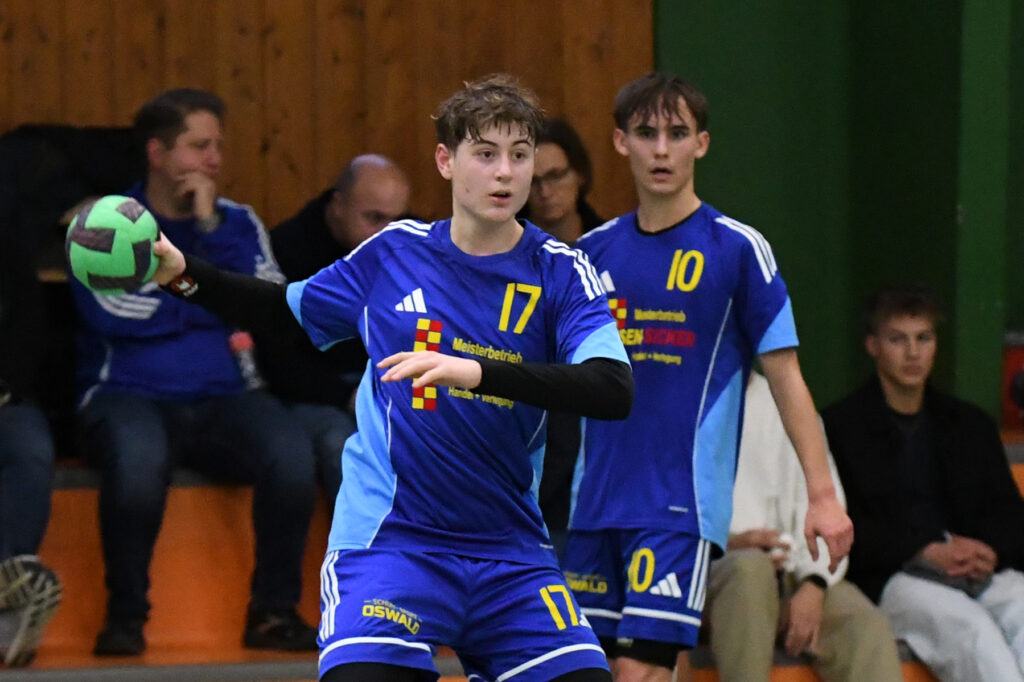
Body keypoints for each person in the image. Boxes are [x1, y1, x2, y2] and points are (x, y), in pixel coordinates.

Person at [150, 74, 633, 682]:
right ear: (446, 161)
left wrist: (477, 372)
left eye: (519, 154)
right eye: (485, 154)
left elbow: (613, 388)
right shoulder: (394, 253)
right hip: (393, 545)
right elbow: (283, 313)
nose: (505, 173)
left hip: (510, 554)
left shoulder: (561, 270)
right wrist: (182, 274)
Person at [563, 71, 853, 682]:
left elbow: (787, 378)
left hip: (677, 506)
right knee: (589, 672)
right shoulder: (589, 254)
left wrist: (823, 498)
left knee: (638, 672)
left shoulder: (737, 249)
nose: (661, 149)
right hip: (593, 504)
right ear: (620, 142)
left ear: (701, 143)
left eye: (677, 133)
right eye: (646, 133)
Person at [69, 88, 319, 656]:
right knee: (137, 462)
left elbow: (271, 306)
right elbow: (115, 311)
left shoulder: (236, 221)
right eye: (199, 146)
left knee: (291, 454)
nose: (214, 159)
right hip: (126, 394)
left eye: (219, 147)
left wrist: (208, 231)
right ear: (157, 153)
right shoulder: (107, 220)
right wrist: (216, 299)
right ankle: (125, 617)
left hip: (224, 396)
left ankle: (273, 613)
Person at [822, 285, 1024, 682]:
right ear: (873, 346)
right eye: (898, 340)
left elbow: (1010, 514)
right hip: (895, 577)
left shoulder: (969, 424)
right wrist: (924, 550)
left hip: (978, 571)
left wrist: (991, 551)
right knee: (973, 635)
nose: (913, 353)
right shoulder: (840, 427)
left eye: (923, 338)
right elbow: (845, 528)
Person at [699, 372, 901, 681]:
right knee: (749, 572)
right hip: (711, 574)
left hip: (790, 573)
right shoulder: (678, 400)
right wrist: (727, 543)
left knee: (865, 626)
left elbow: (827, 511)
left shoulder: (787, 401)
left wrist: (813, 584)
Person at [265, 155, 412, 509]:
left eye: (397, 221)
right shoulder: (288, 251)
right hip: (316, 395)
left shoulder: (412, 245)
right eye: (374, 219)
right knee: (343, 446)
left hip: (393, 386)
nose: (387, 234)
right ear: (338, 206)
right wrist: (347, 395)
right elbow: (277, 362)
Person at [516, 117, 606, 558]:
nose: (545, 191)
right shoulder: (504, 257)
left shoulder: (612, 250)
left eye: (555, 176)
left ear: (580, 175)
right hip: (531, 437)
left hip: (604, 440)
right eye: (533, 182)